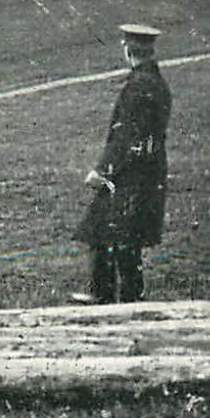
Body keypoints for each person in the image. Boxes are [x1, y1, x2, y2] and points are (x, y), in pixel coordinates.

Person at [73, 24, 171, 304]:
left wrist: (102, 171)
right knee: (118, 235)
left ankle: (109, 299)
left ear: (128, 50)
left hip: (131, 173)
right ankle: (118, 298)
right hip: (146, 170)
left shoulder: (139, 86)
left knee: (111, 232)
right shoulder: (155, 82)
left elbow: (127, 134)